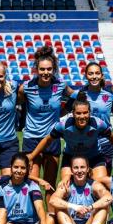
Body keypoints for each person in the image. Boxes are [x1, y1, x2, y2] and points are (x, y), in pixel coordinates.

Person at [29, 94, 113, 184]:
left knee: (101, 183)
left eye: (85, 113)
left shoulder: (98, 124)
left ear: (90, 112)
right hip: (71, 157)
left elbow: (112, 137)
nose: (82, 116)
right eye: (78, 113)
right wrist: (31, 156)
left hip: (94, 157)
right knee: (65, 185)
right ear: (73, 113)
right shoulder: (63, 125)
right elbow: (47, 140)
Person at [19, 46, 69, 196]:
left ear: (53, 69)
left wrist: (63, 113)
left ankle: (51, 218)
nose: (46, 72)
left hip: (52, 138)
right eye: (42, 69)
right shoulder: (26, 87)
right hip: (31, 138)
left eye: (49, 69)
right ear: (36, 70)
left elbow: (75, 98)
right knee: (31, 184)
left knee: (50, 185)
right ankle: (33, 219)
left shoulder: (61, 85)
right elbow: (18, 101)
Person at [48, 156, 112, 224]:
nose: (79, 170)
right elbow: (52, 200)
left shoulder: (94, 185)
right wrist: (75, 207)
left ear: (87, 169)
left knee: (103, 207)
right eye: (76, 167)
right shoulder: (66, 186)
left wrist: (90, 207)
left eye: (82, 167)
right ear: (71, 170)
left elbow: (108, 198)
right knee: (59, 208)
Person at [69, 62, 113, 174]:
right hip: (84, 143)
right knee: (81, 180)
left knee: (103, 182)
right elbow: (63, 113)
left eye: (97, 73)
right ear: (86, 75)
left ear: (102, 75)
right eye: (90, 73)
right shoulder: (78, 95)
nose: (94, 76)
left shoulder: (110, 95)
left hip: (105, 143)